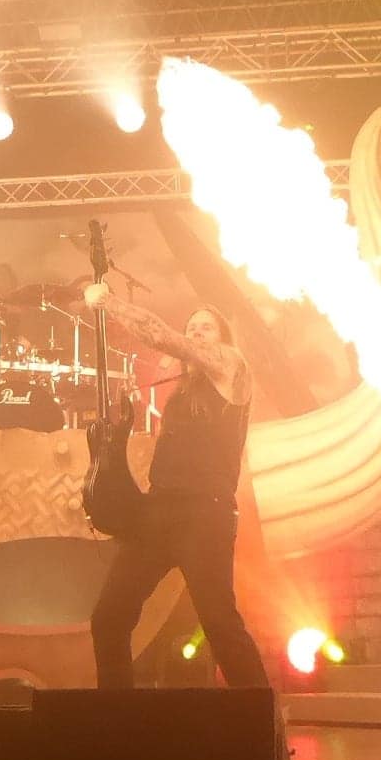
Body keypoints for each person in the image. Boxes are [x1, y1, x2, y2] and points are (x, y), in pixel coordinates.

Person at [81, 285, 270, 691]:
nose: (196, 333)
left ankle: (263, 719)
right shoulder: (181, 392)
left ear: (222, 339)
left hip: (205, 512)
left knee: (219, 623)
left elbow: (161, 335)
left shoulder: (231, 367)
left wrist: (107, 302)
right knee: (110, 616)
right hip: (159, 510)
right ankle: (115, 718)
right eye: (192, 327)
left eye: (206, 327)